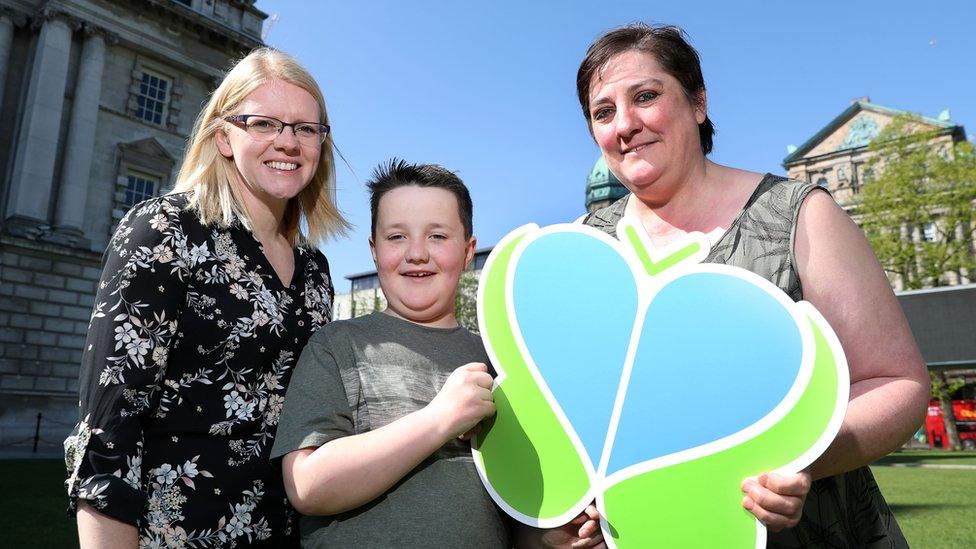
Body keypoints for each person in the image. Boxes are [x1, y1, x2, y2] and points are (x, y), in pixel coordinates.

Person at [576, 24, 928, 547]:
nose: (625, 125)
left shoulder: (799, 214)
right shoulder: (584, 247)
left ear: (698, 102)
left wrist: (799, 461)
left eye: (646, 96)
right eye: (603, 112)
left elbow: (897, 384)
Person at [63, 47, 348, 548]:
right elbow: (108, 436)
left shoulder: (315, 272)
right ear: (223, 136)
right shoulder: (163, 230)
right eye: (263, 123)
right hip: (173, 534)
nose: (288, 141)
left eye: (306, 128)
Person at [271, 159, 604, 548]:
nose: (416, 253)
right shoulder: (337, 346)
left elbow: (510, 512)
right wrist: (439, 419)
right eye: (397, 237)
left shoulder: (504, 360)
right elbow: (307, 487)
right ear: (374, 250)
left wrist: (545, 536)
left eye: (437, 236)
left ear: (468, 251)